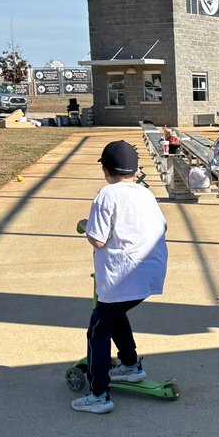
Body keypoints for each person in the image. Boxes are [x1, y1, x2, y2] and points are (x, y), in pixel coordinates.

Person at [72, 140, 168, 414]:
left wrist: (85, 226)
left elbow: (98, 240)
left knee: (98, 329)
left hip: (122, 276)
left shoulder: (106, 194)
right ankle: (129, 366)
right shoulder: (146, 194)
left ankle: (98, 394)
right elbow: (162, 225)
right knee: (115, 315)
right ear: (136, 172)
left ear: (105, 170)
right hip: (150, 273)